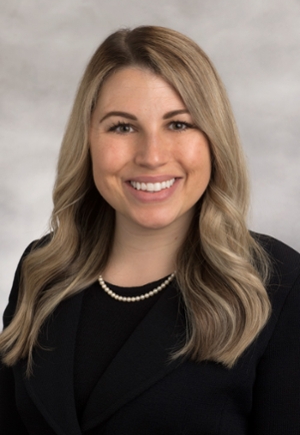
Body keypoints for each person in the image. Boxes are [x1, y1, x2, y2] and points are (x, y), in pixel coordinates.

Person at [0, 26, 299, 435]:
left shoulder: (281, 285)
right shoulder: (43, 270)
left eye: (178, 125)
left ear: (214, 140)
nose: (152, 156)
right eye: (122, 127)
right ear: (87, 140)